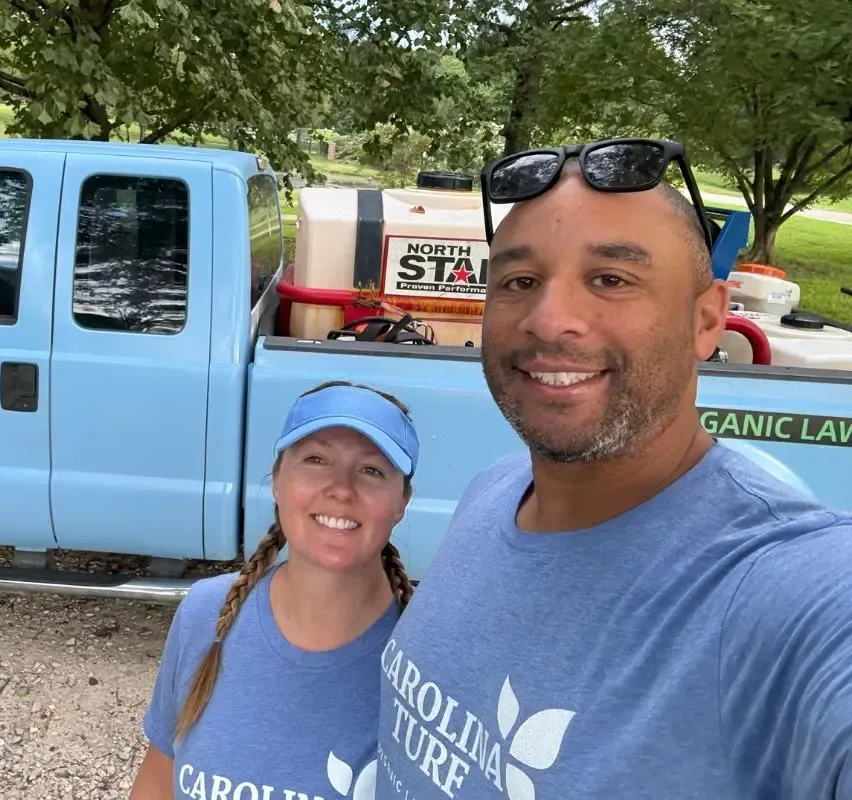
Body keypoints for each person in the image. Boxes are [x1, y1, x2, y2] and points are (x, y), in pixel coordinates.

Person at [375, 139, 852, 799]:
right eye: (520, 281)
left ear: (707, 318)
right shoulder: (492, 493)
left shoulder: (782, 593)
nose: (550, 320)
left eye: (610, 279)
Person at [130, 379, 420, 800]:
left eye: (371, 469)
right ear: (278, 480)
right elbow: (158, 784)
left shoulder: (423, 655)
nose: (341, 488)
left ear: (402, 503)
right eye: (317, 459)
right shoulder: (206, 614)